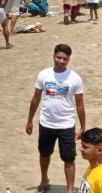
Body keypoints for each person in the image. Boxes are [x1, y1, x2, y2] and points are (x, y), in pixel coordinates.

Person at [26, 44, 85, 193]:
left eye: (65, 59)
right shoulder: (44, 75)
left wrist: (83, 126)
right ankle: (44, 179)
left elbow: (80, 104)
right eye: (59, 57)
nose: (61, 61)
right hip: (46, 123)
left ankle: (70, 190)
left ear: (69, 60)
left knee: (69, 158)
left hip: (66, 124)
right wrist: (30, 120)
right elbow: (36, 98)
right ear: (53, 56)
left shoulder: (75, 78)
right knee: (44, 153)